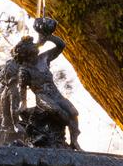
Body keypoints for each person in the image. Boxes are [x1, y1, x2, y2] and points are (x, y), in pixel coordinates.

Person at [15, 17, 81, 149]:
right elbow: (22, 88)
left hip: (55, 94)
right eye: (32, 51)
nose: (36, 51)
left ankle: (74, 141)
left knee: (73, 113)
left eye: (35, 50)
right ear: (26, 55)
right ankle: (56, 140)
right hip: (42, 96)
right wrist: (23, 104)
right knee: (60, 113)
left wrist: (48, 37)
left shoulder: (44, 59)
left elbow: (61, 45)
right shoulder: (24, 70)